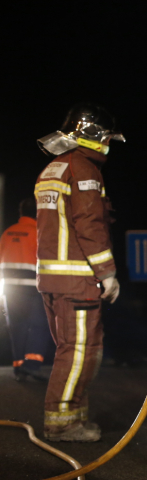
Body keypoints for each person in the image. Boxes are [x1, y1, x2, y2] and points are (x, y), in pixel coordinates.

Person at [33, 104, 123, 442]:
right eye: (108, 139)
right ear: (95, 137)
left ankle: (75, 416)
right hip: (77, 279)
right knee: (80, 351)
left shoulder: (52, 169)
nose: (109, 146)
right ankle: (62, 423)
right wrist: (108, 273)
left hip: (52, 278)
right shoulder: (83, 168)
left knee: (68, 349)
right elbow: (90, 224)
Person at [1, 197, 54, 381]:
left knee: (17, 327)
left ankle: (18, 367)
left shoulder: (7, 233)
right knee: (40, 325)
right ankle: (31, 365)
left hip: (11, 291)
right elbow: (48, 262)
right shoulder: (38, 233)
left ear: (21, 213)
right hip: (34, 289)